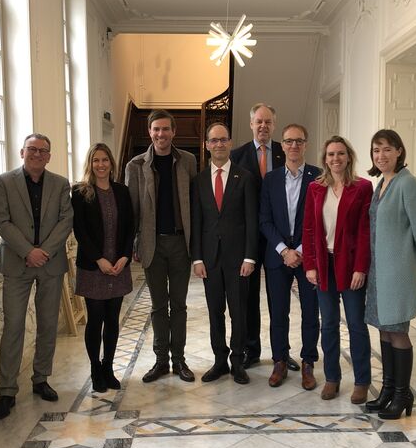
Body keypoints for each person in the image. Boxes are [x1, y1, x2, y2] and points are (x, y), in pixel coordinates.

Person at [0, 133, 73, 420]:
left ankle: (41, 379)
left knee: (48, 324)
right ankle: (7, 390)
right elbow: (2, 221)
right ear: (22, 152)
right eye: (32, 149)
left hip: (49, 263)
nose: (37, 154)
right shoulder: (4, 182)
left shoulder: (60, 184)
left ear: (49, 156)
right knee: (13, 325)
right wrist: (28, 251)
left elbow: (66, 220)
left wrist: (44, 252)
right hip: (17, 262)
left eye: (43, 150)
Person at [364, 129, 416, 419]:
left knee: (398, 332)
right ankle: (388, 390)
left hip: (399, 272)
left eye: (386, 149)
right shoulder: (381, 183)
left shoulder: (408, 184)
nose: (381, 155)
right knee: (384, 329)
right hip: (379, 272)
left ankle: (403, 394)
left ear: (399, 151)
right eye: (376, 150)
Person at [125, 109, 196, 384]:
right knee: (157, 306)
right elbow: (132, 210)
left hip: (180, 243)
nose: (161, 134)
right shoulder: (135, 166)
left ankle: (179, 360)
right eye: (156, 129)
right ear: (150, 132)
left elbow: (194, 204)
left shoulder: (188, 161)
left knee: (179, 305)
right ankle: (161, 361)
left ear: (174, 132)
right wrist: (132, 244)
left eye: (166, 129)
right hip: (151, 243)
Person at [302, 136, 373, 403]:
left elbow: (365, 231)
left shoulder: (363, 187)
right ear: (325, 159)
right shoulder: (315, 188)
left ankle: (362, 381)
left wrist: (361, 268)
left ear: (349, 157)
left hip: (351, 266)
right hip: (324, 264)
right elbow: (309, 229)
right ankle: (332, 378)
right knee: (329, 324)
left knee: (356, 325)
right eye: (331, 154)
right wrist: (310, 265)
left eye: (340, 153)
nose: (336, 159)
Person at [191, 122, 258, 384]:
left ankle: (237, 361)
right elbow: (197, 222)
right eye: (214, 140)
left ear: (230, 143)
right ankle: (219, 360)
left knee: (238, 312)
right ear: (207, 145)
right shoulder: (198, 181)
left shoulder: (245, 177)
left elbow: (251, 220)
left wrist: (250, 257)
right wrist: (197, 258)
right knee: (214, 311)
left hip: (238, 259)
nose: (219, 144)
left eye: (223, 140)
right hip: (210, 259)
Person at [230, 103, 293, 370]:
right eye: (259, 121)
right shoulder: (237, 155)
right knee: (248, 297)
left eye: (268, 122)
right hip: (249, 238)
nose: (263, 126)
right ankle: (251, 349)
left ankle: (282, 352)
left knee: (280, 299)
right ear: (251, 124)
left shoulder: (284, 150)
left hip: (279, 238)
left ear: (274, 125)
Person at [259, 123, 320, 390]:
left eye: (299, 141)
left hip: (309, 257)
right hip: (278, 256)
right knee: (278, 312)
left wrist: (302, 251)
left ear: (306, 144)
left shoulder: (318, 177)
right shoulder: (270, 179)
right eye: (288, 141)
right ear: (281, 146)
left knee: (311, 312)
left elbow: (321, 220)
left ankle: (308, 362)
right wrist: (284, 250)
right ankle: (280, 361)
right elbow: (264, 220)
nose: (294, 145)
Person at [71, 143, 134, 393]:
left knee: (112, 320)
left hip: (118, 266)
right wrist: (99, 259)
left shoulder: (122, 191)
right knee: (95, 319)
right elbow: (80, 231)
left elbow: (130, 227)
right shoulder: (80, 192)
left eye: (105, 160)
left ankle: (108, 367)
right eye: (96, 160)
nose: (101, 165)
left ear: (111, 163)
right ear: (90, 163)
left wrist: (125, 256)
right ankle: (95, 368)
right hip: (93, 266)